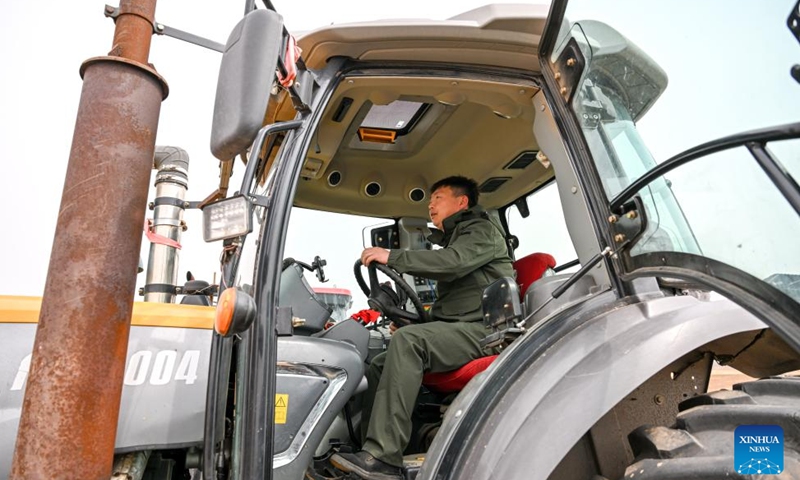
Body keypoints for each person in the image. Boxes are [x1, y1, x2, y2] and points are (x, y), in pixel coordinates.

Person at [331, 176, 513, 479]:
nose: (431, 205)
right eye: (430, 201)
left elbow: (452, 262)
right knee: (380, 361)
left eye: (438, 198)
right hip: (462, 326)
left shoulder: (480, 230)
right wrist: (408, 319)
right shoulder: (457, 238)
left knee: (409, 342)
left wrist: (393, 256)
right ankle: (368, 450)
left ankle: (384, 457)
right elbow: (452, 306)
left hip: (487, 331)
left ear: (462, 202)